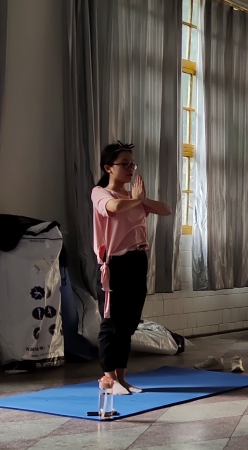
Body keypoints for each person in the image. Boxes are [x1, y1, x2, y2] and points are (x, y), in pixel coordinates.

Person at [91, 141, 171, 395]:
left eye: (132, 164)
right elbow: (113, 208)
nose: (130, 169)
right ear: (108, 168)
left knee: (129, 323)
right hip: (114, 263)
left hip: (137, 260)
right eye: (124, 164)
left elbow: (166, 210)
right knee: (112, 323)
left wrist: (141, 200)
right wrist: (136, 201)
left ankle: (122, 378)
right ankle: (108, 379)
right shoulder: (100, 193)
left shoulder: (133, 198)